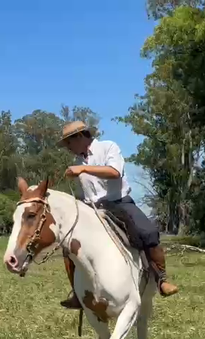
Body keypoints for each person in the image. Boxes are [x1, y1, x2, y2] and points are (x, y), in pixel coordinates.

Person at [56, 120, 179, 310]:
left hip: (119, 202)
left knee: (148, 232)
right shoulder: (79, 162)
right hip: (93, 208)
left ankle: (161, 280)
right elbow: (87, 193)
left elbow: (114, 172)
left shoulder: (108, 147)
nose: (68, 148)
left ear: (80, 137)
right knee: (68, 245)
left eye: (69, 143)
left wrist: (83, 169)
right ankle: (77, 293)